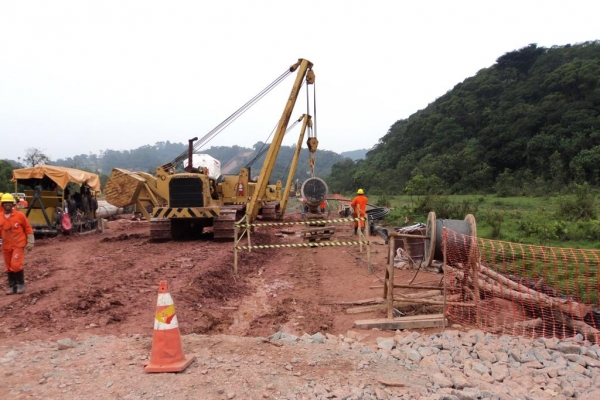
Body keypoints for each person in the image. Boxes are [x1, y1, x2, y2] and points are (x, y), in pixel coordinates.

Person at [1, 193, 34, 295]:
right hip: (6, 245)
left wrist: (30, 241)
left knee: (16, 264)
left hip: (18, 244)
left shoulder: (20, 215)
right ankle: (12, 287)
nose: (7, 204)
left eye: (9, 203)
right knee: (8, 266)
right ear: (2, 205)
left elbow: (28, 228)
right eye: (5, 203)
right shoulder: (0, 217)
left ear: (13, 204)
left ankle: (21, 285)